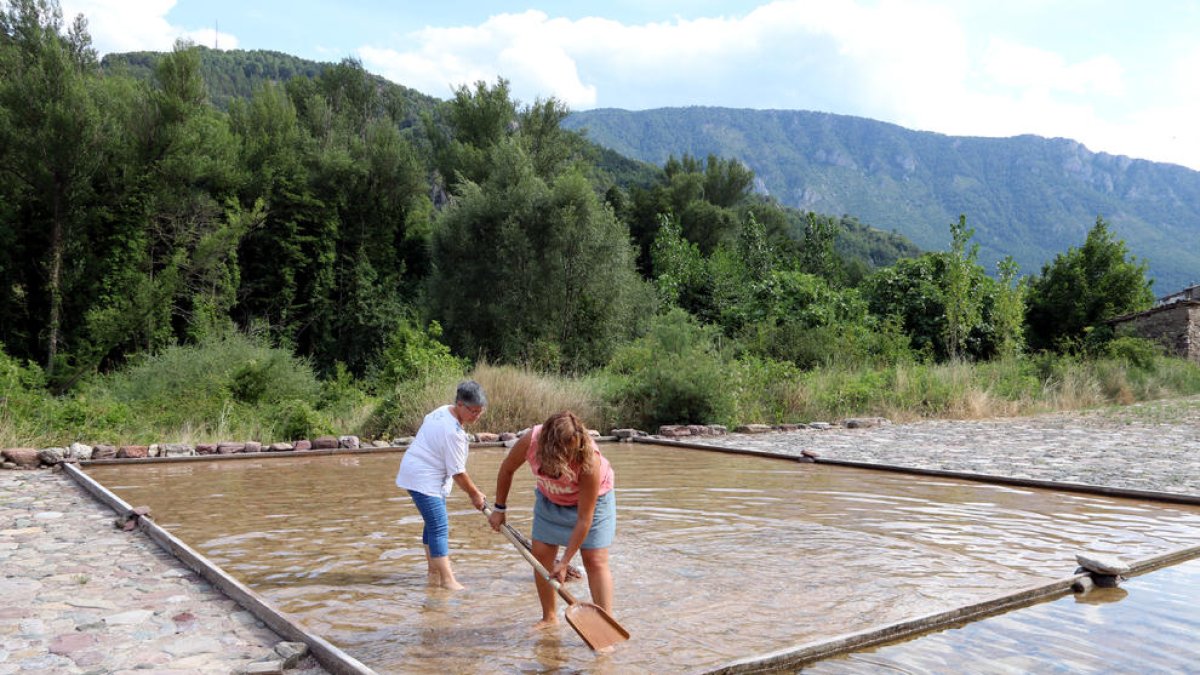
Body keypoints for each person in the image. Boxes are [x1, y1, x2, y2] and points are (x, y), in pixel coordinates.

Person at [488, 411, 616, 627]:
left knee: (594, 560)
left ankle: (607, 625)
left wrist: (565, 562)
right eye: (563, 454)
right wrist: (499, 508)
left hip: (593, 502)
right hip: (549, 499)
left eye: (571, 453)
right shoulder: (531, 440)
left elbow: (584, 519)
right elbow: (507, 468)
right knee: (541, 557)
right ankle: (549, 618)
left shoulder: (590, 461)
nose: (568, 459)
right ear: (547, 446)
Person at [396, 380, 488, 590]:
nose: (476, 415)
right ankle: (447, 580)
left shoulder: (442, 411)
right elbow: (458, 472)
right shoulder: (451, 432)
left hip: (419, 472)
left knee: (432, 524)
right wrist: (475, 494)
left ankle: (433, 572)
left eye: (480, 411)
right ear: (460, 404)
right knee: (439, 526)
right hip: (423, 478)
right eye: (473, 411)